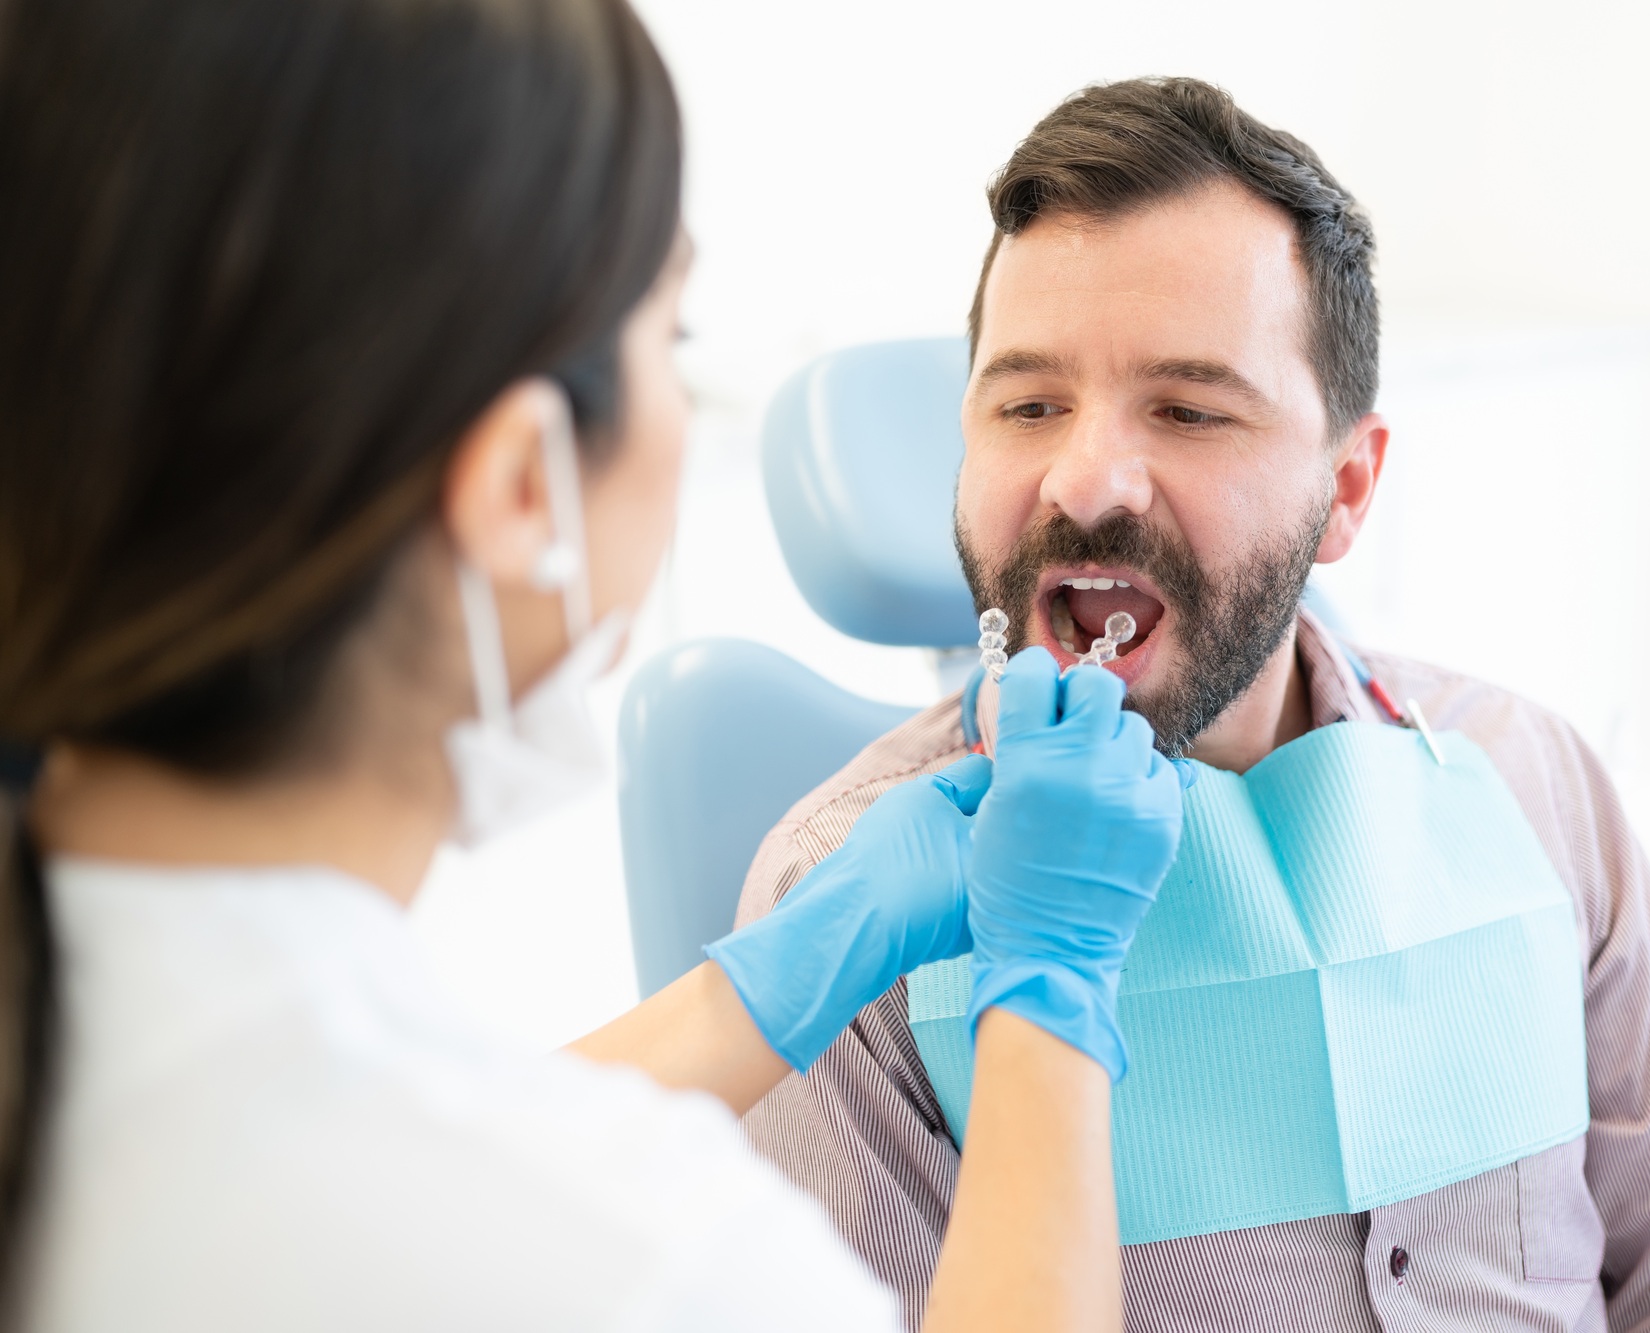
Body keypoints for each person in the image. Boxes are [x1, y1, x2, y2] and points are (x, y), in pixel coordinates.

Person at [0, 3, 1189, 1330]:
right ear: (523, 484)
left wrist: (765, 986)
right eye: (668, 340)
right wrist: (1052, 991)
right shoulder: (648, 1261)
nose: (1088, 476)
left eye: (1193, 406)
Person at [734, 78, 1650, 1333]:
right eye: (1027, 404)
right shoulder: (850, 926)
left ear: (1348, 488)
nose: (1085, 475)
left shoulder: (1528, 785)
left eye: (1189, 409)